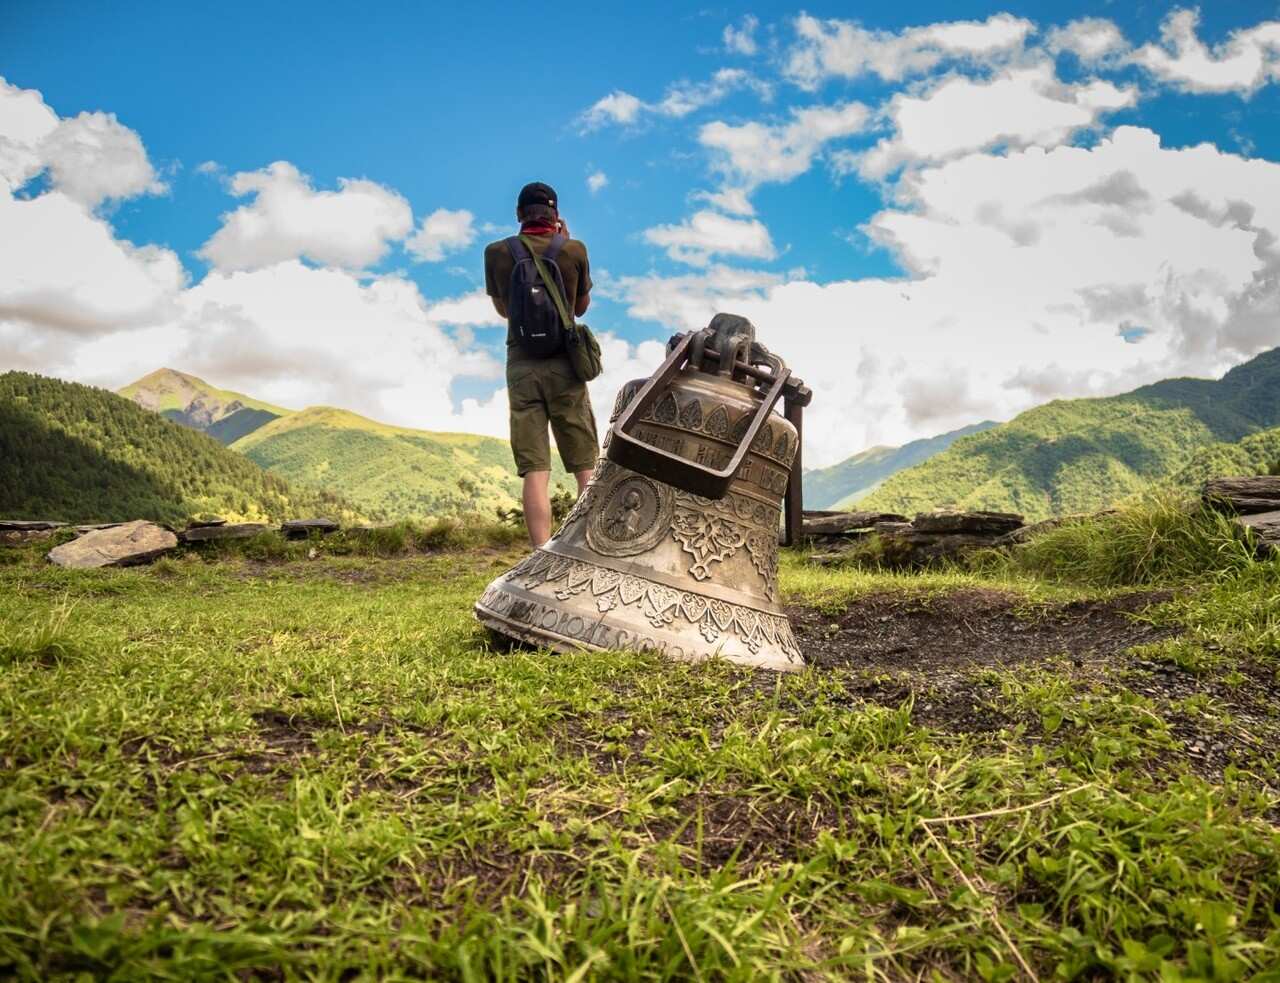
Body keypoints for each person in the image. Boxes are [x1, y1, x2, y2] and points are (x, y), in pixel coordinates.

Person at [484, 181, 598, 547]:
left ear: (519, 214)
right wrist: (566, 244)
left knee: (535, 469)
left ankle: (539, 555)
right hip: (565, 363)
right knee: (584, 465)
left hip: (521, 364)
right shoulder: (574, 250)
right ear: (556, 215)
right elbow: (580, 308)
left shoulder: (497, 252)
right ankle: (583, 548)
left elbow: (504, 310)